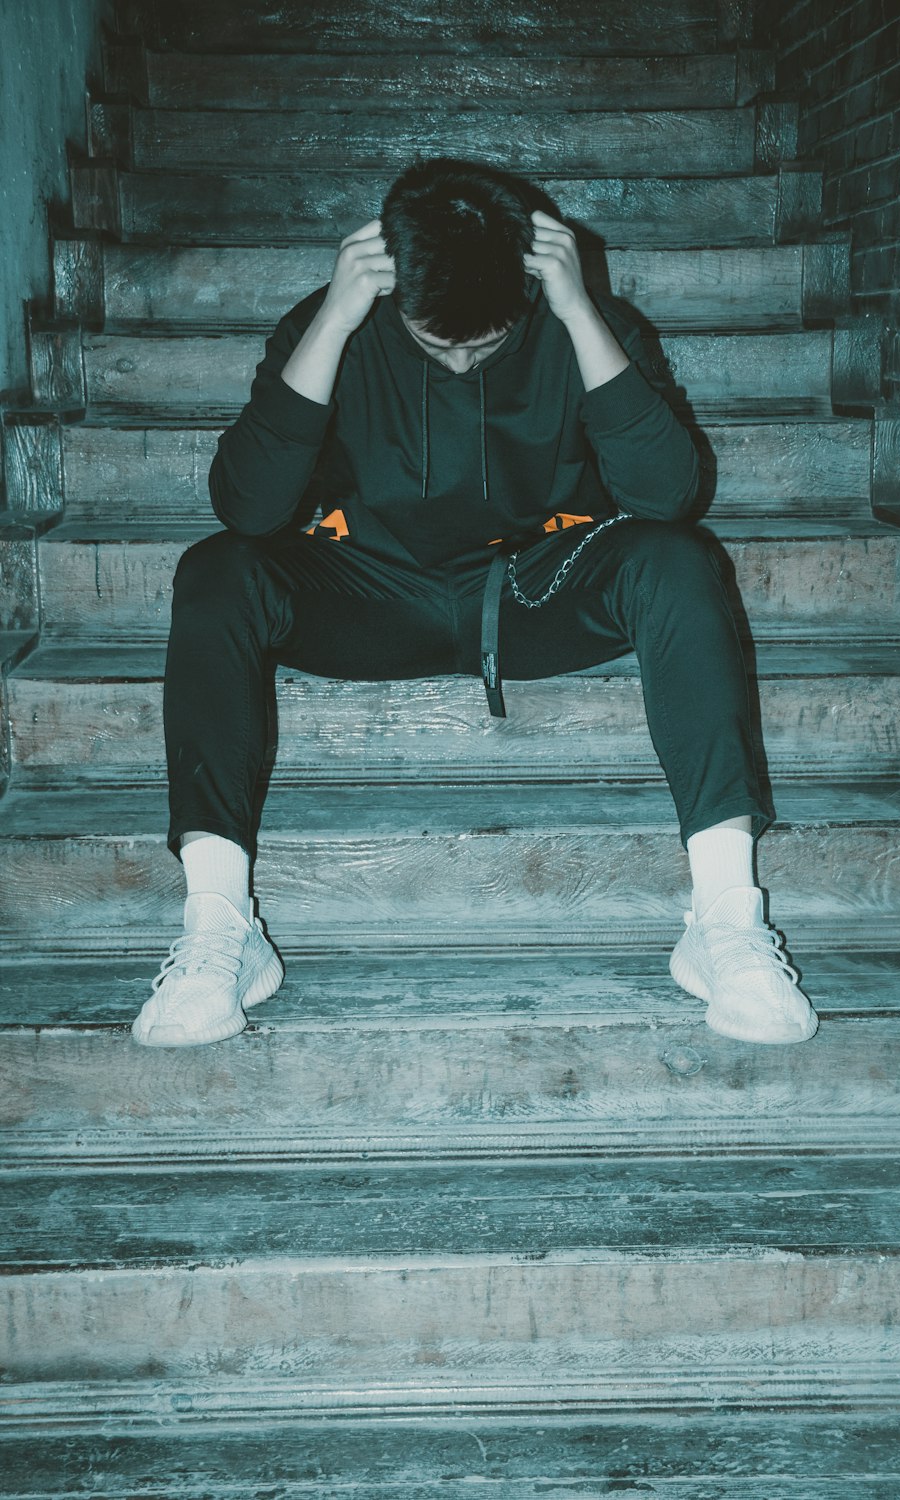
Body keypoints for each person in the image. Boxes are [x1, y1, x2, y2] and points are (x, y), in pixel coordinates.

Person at [131, 156, 818, 1050]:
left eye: (482, 345)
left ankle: (723, 919)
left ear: (529, 288)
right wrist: (337, 318)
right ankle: (219, 924)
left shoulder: (589, 325)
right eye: (434, 342)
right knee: (218, 570)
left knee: (680, 561)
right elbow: (249, 508)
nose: (458, 359)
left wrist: (579, 310)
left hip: (536, 593)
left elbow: (666, 495)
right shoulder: (326, 325)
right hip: (370, 595)